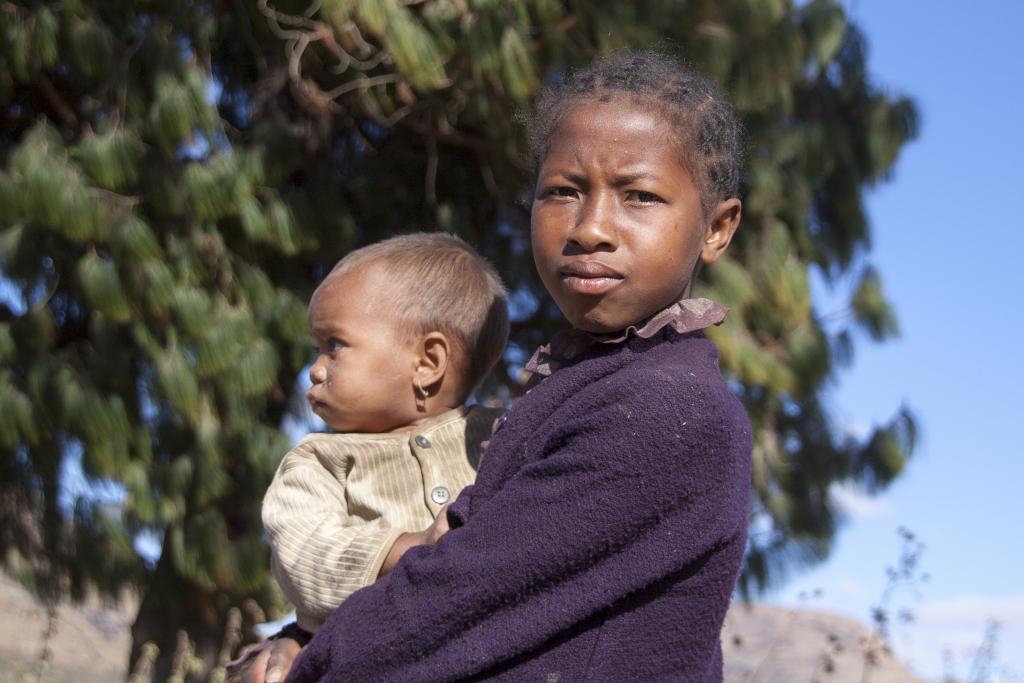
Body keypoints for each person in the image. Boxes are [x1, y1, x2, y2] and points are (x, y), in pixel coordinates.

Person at [265, 48, 752, 682]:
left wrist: (311, 663)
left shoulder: (666, 411)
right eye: (563, 191)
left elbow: (454, 600)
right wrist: (303, 632)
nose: (590, 228)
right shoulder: (578, 386)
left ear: (717, 228)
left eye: (638, 195)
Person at [236, 233, 509, 683]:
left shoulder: (504, 437)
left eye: (334, 345)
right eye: (315, 349)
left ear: (428, 362)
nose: (316, 368)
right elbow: (303, 555)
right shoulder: (317, 462)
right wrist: (406, 549)